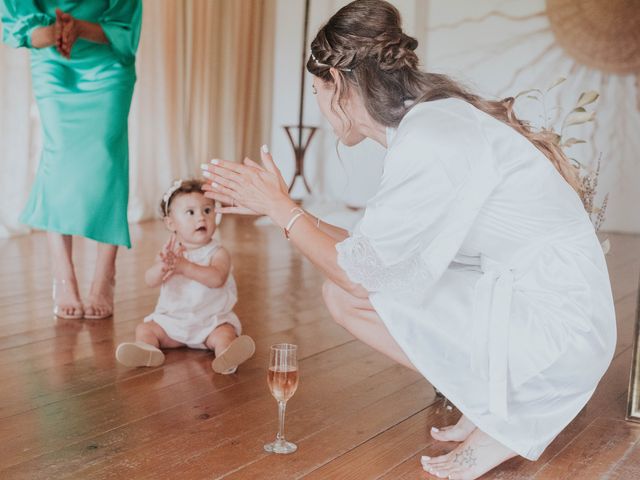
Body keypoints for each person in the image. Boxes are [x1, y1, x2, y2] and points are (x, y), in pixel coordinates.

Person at [200, 0, 616, 478]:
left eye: (316, 89)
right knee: (343, 291)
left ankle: (502, 417)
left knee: (348, 294)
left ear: (339, 85)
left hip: (558, 327)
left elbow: (361, 280)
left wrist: (282, 207)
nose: (317, 101)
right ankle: (488, 402)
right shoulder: (431, 123)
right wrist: (283, 211)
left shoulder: (431, 139)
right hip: (544, 304)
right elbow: (371, 256)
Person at [0, 1, 142, 319]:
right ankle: (63, 276)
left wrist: (80, 27)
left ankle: (105, 275)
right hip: (53, 61)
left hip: (107, 62)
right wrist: (55, 32)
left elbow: (125, 23)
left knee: (107, 155)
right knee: (58, 155)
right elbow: (20, 25)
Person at [115, 179, 255, 375]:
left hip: (210, 323)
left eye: (207, 210)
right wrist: (162, 267)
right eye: (191, 212)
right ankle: (146, 350)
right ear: (171, 223)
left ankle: (226, 356)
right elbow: (150, 280)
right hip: (173, 322)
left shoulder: (218, 252)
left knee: (225, 334)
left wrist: (184, 267)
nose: (201, 218)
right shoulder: (170, 253)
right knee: (145, 329)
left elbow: (217, 279)